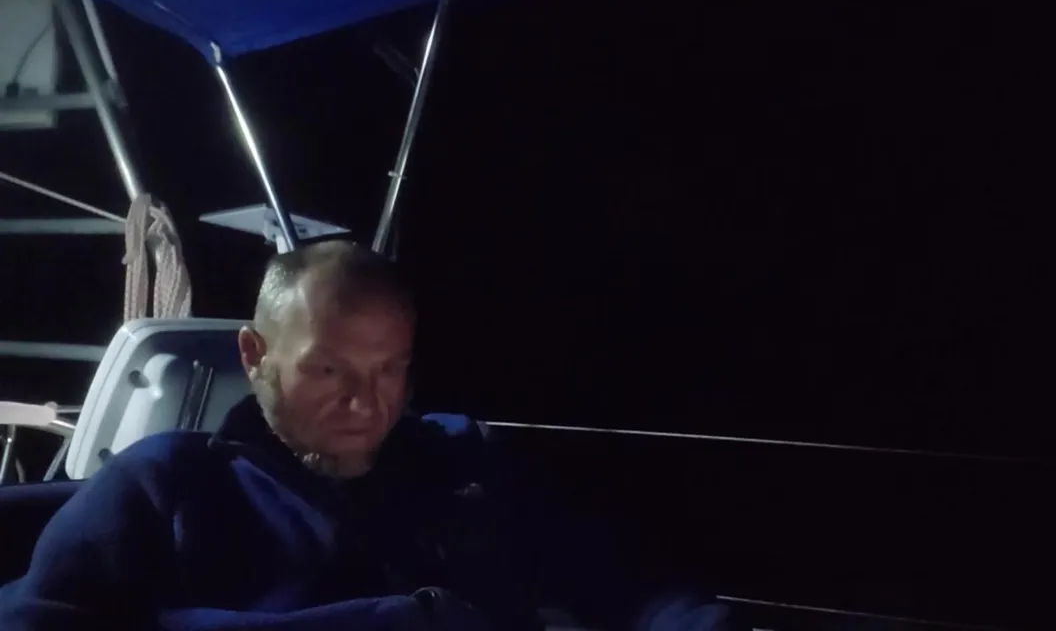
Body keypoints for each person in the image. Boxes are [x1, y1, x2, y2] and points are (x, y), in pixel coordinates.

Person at [0, 240, 731, 631]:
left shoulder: (467, 463)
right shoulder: (170, 482)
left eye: (389, 369)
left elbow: (629, 586)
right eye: (328, 370)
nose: (364, 401)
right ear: (255, 355)